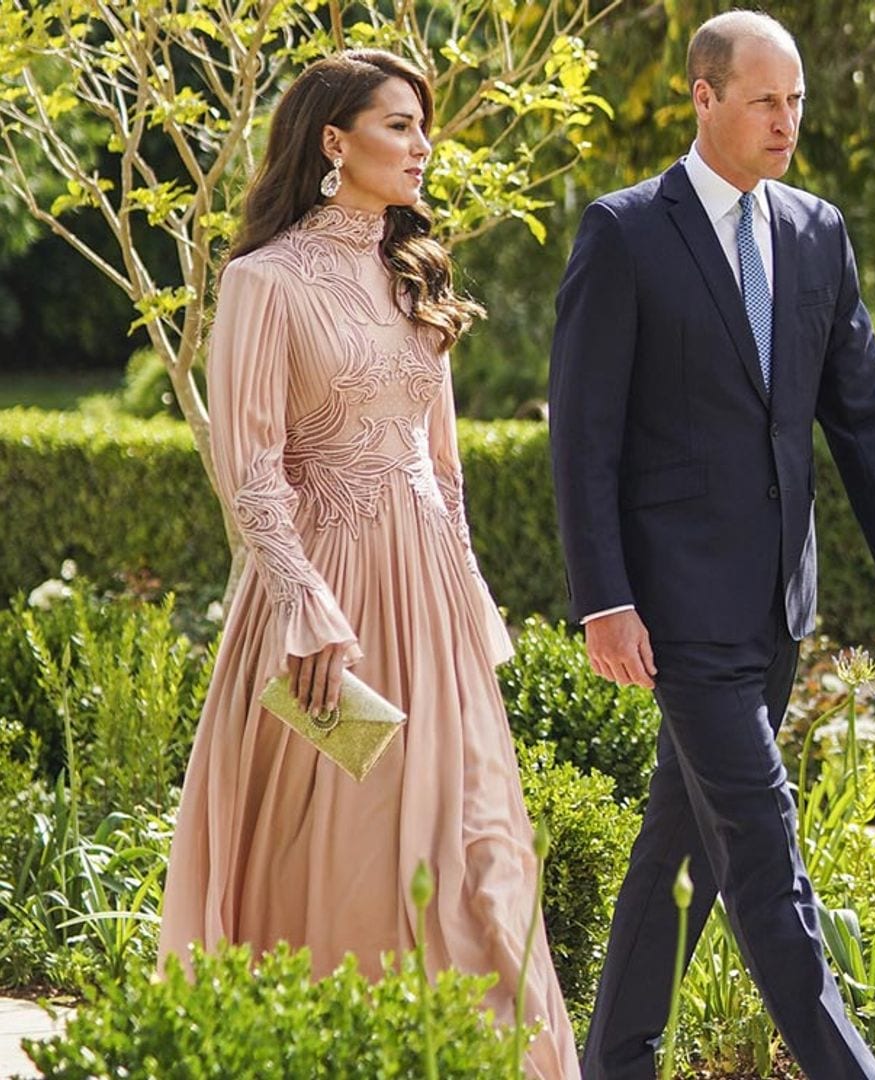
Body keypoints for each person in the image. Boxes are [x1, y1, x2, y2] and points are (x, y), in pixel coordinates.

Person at [157, 48, 579, 1078]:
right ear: (334, 142)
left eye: (424, 126)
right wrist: (306, 604)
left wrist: (469, 593)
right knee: (343, 860)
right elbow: (250, 466)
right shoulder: (262, 282)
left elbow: (443, 465)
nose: (424, 146)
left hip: (431, 603)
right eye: (400, 125)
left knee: (481, 854)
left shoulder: (418, 270)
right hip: (326, 605)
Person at [549, 11, 875, 1080]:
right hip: (675, 611)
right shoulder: (624, 234)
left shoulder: (816, 230)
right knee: (765, 850)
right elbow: (583, 440)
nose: (788, 120)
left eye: (798, 99)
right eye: (766, 100)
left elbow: (860, 412)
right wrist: (605, 600)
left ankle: (614, 1063)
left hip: (779, 605)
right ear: (703, 97)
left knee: (679, 850)